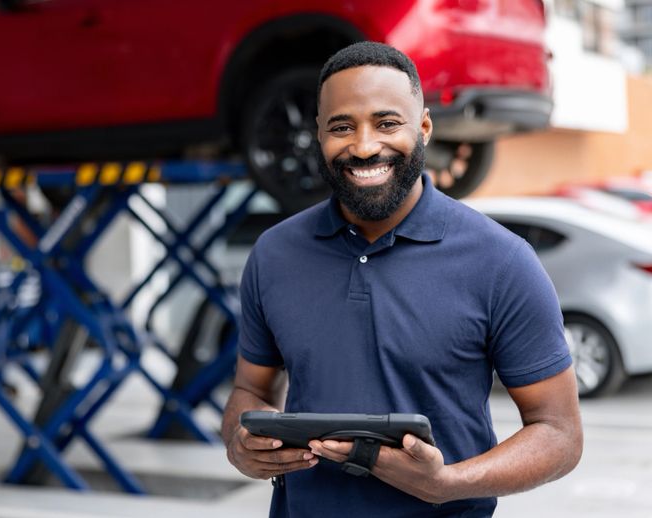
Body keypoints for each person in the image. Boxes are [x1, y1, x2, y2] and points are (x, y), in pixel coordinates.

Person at [221, 41, 582, 517]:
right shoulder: (274, 254)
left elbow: (559, 433)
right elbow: (251, 391)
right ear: (318, 135)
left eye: (387, 123)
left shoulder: (502, 261)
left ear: (425, 127)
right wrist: (240, 443)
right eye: (341, 127)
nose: (365, 145)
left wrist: (449, 483)